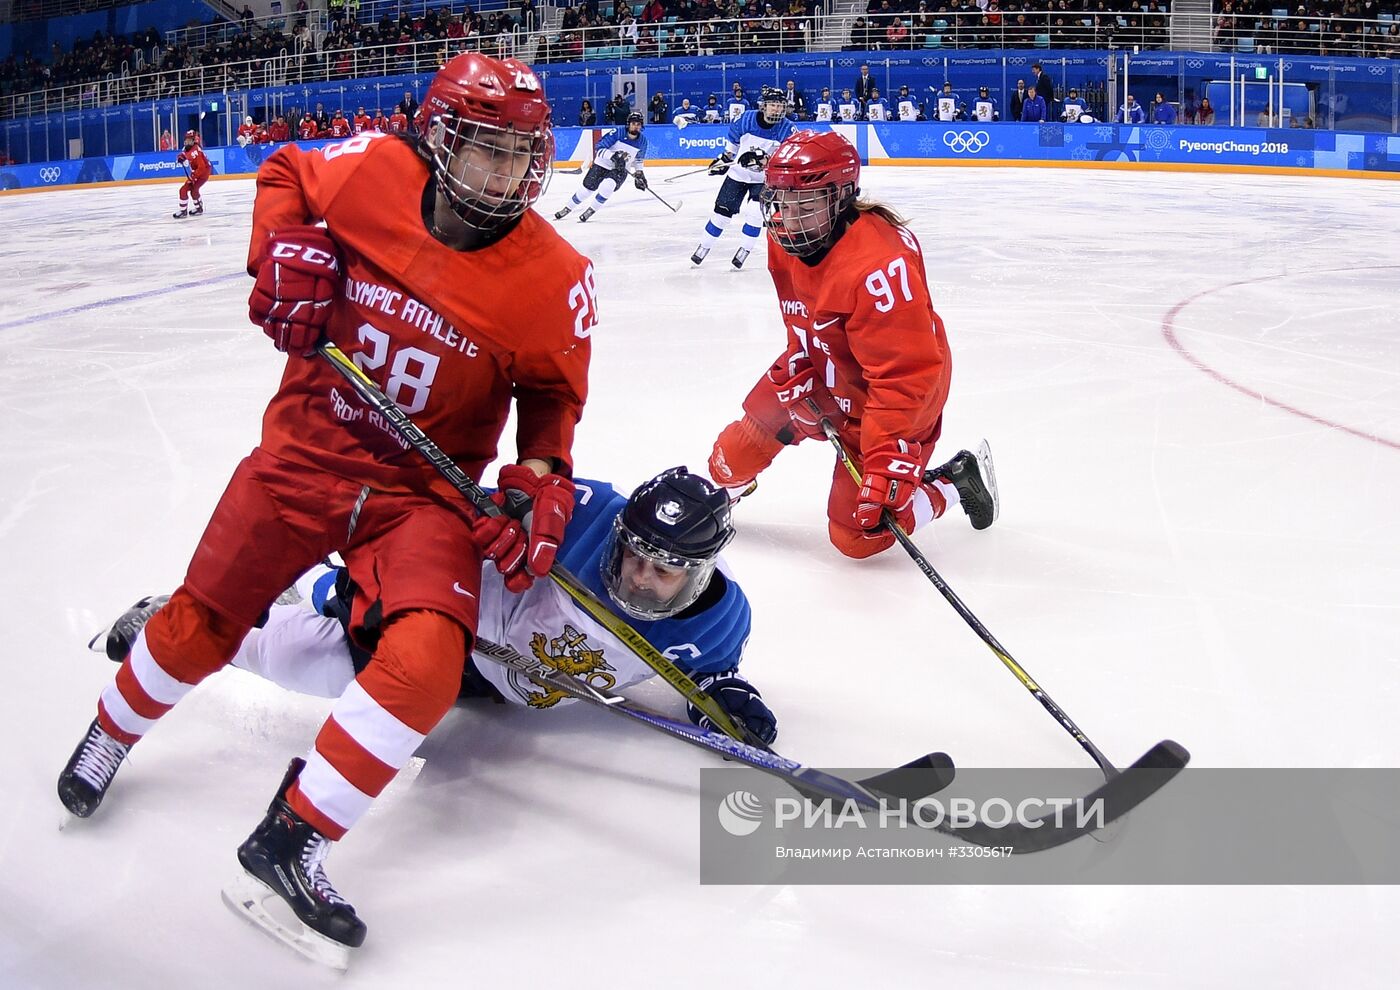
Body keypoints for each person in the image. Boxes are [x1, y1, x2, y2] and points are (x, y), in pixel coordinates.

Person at [56, 52, 592, 968]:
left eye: (520, 154)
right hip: (302, 456)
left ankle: (292, 839)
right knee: (201, 624)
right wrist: (280, 248)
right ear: (436, 137)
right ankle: (110, 732)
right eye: (486, 150)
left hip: (419, 497)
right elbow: (282, 175)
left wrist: (540, 478)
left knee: (426, 663)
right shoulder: (370, 170)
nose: (506, 173)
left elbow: (550, 400)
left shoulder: (558, 276)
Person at [92, 470, 776, 745]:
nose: (637, 578)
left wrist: (726, 698)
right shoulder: (586, 511)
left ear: (698, 572)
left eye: (662, 572)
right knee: (309, 664)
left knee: (331, 644)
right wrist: (495, 512)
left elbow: (706, 675)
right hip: (454, 625)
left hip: (491, 683)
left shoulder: (721, 619)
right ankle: (172, 618)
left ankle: (317, 602)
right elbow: (459, 512)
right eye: (633, 557)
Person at [707, 130, 998, 560]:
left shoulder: (878, 266)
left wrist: (886, 454)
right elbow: (803, 312)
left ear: (841, 197)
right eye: (781, 203)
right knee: (727, 460)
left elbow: (906, 373)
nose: (788, 217)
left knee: (858, 536)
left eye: (804, 205)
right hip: (828, 363)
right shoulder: (784, 238)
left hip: (896, 394)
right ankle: (725, 494)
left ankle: (956, 482)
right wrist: (801, 364)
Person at [691, 86, 797, 271]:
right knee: (721, 215)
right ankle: (704, 246)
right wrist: (723, 161)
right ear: (763, 106)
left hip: (764, 180)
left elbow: (789, 157)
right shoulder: (747, 119)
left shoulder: (787, 128)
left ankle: (745, 250)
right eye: (773, 105)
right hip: (738, 175)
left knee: (756, 214)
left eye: (780, 106)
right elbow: (732, 144)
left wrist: (766, 161)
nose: (778, 110)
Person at [554, 111, 648, 223]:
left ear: (641, 126)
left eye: (638, 124)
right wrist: (613, 156)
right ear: (628, 124)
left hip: (620, 170)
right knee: (587, 190)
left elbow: (638, 159)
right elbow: (599, 148)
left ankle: (591, 210)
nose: (636, 126)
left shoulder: (643, 142)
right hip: (602, 164)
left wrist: (639, 173)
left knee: (608, 186)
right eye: (633, 123)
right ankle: (568, 208)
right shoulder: (617, 133)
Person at [173, 130, 210, 219]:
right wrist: (180, 158)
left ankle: (188, 210)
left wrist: (193, 177)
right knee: (184, 190)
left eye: (190, 140)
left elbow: (201, 167)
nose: (187, 142)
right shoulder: (187, 148)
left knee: (192, 190)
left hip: (203, 174)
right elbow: (182, 154)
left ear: (194, 141)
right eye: (186, 140)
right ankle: (197, 208)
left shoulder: (196, 151)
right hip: (197, 173)